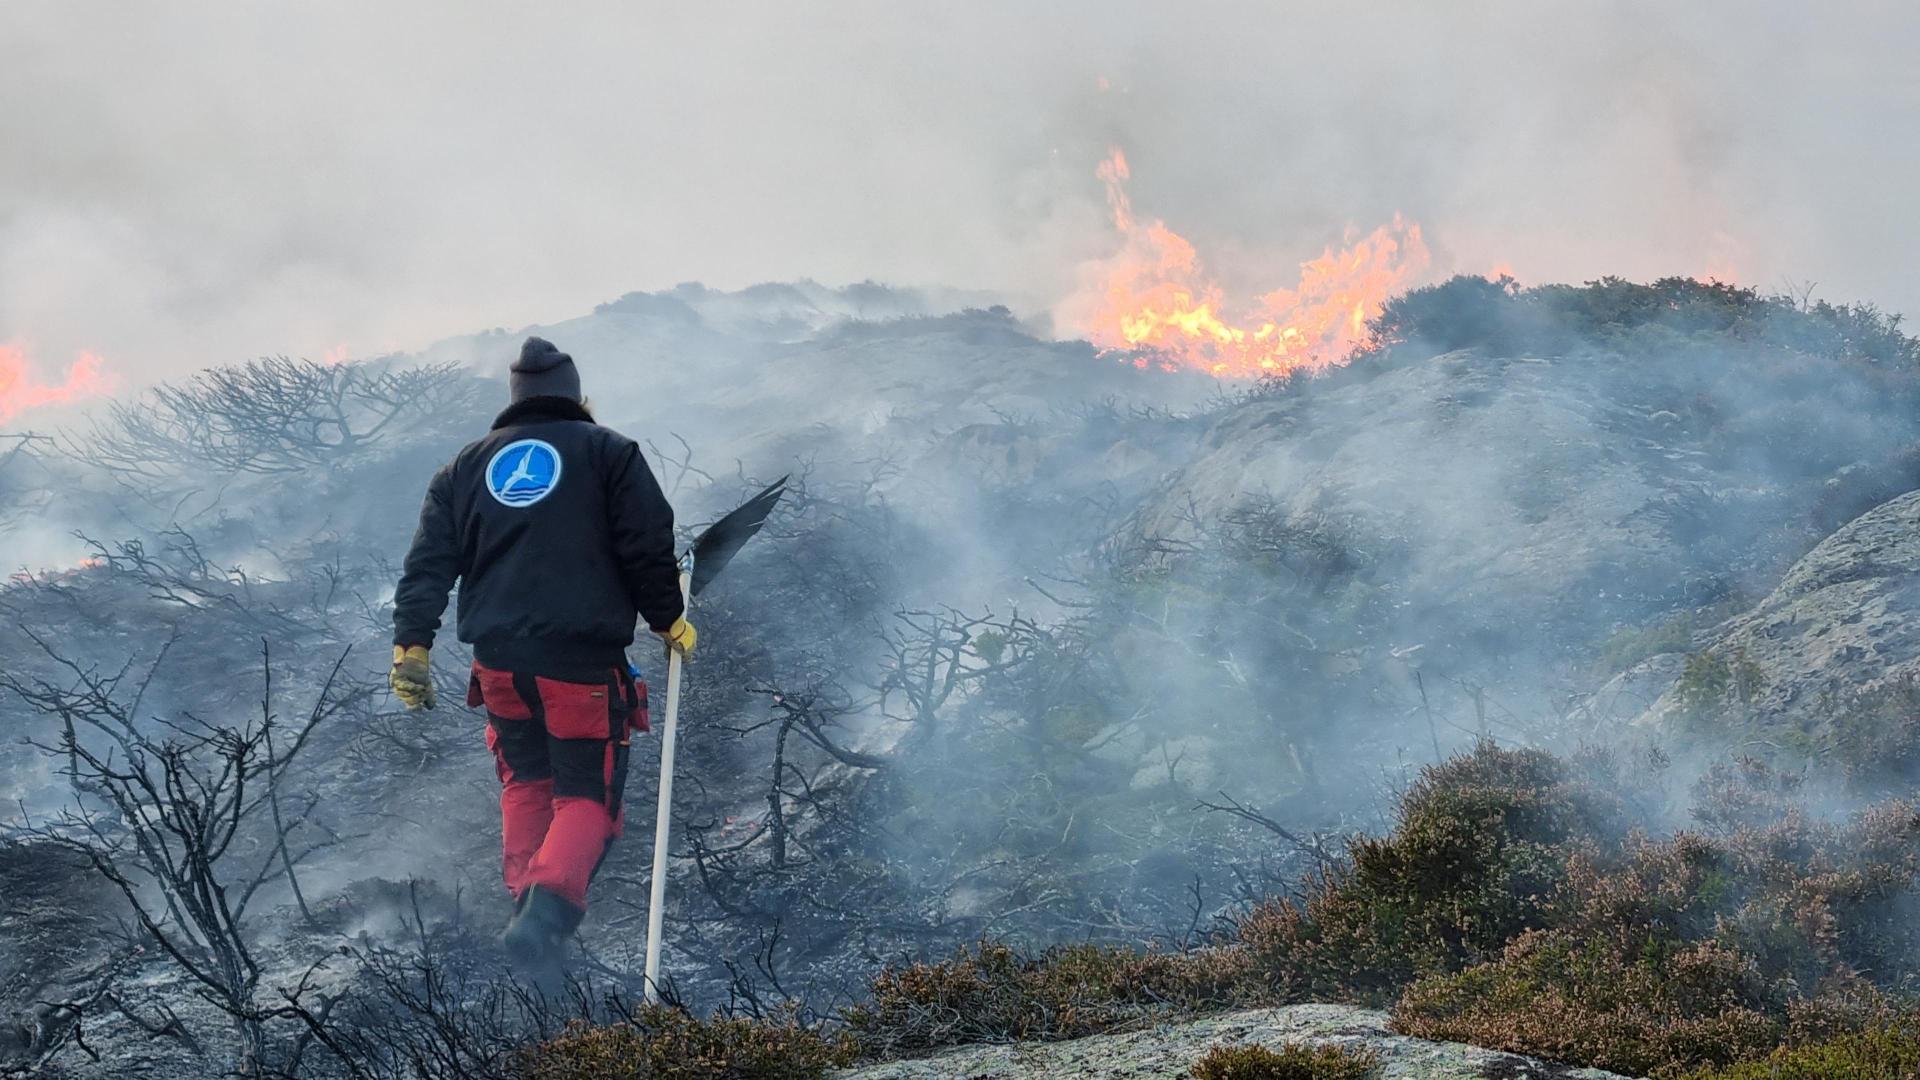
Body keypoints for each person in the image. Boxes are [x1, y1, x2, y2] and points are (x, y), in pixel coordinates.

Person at [387, 336, 696, 971]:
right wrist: (669, 619)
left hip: (498, 667)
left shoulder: (463, 468)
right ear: (579, 395)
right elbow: (646, 544)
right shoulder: (610, 453)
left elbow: (427, 566)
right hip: (580, 664)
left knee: (527, 781)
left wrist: (410, 645)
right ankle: (546, 914)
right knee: (588, 794)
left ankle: (524, 903)